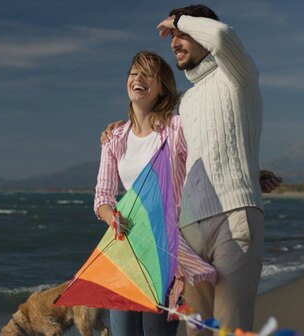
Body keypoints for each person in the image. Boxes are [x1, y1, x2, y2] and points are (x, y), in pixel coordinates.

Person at [101, 4, 282, 334]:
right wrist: (118, 129)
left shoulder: (238, 76)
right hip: (188, 232)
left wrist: (180, 20)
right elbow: (184, 146)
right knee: (196, 330)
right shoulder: (182, 104)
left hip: (234, 216)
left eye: (182, 35)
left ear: (202, 32)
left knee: (229, 327)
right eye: (172, 36)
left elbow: (224, 35)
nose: (174, 41)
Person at [94, 50, 216, 336]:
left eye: (147, 74)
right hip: (127, 251)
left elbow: (211, 155)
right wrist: (112, 217)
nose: (138, 78)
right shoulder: (114, 139)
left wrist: (252, 173)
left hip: (166, 251)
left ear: (161, 87)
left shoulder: (175, 130)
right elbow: (102, 196)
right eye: (134, 73)